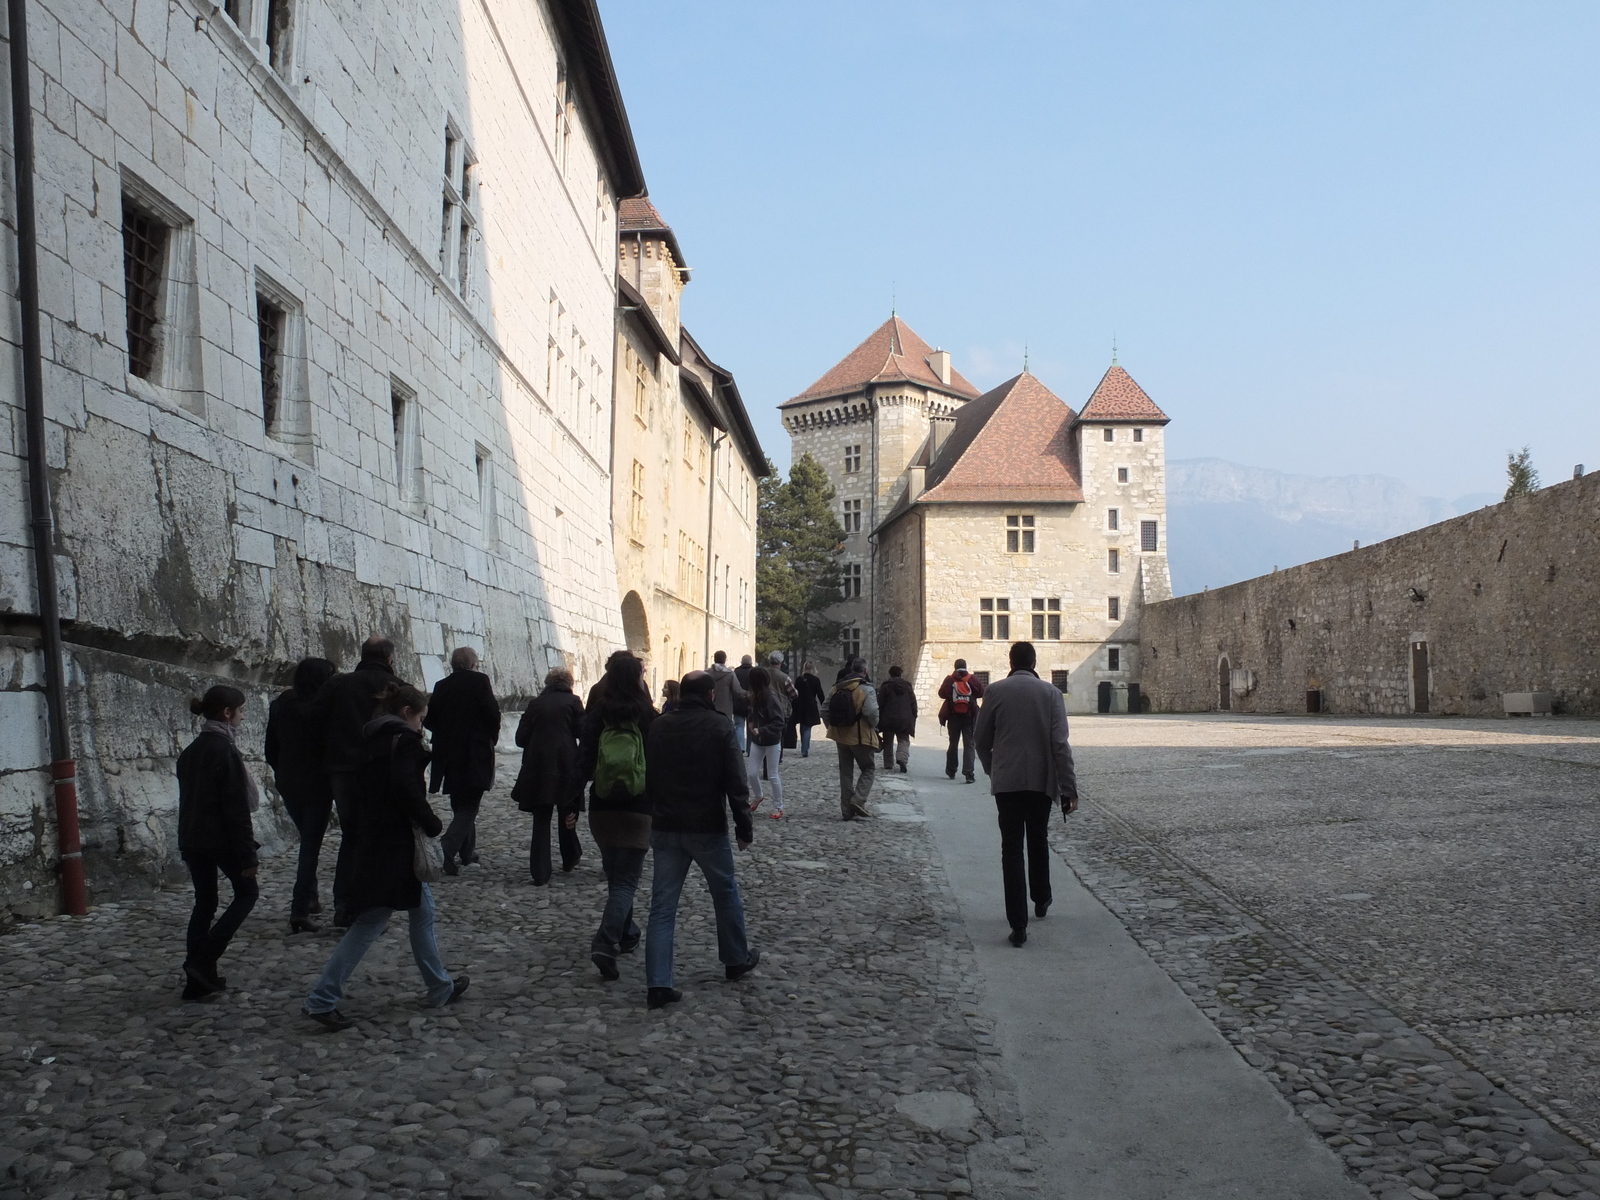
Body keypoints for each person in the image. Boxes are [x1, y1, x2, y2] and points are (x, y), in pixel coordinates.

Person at [304, 682, 468, 1029]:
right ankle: (322, 998)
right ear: (408, 714)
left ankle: (440, 986)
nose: (422, 726)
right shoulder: (404, 742)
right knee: (371, 922)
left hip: (377, 839)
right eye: (421, 718)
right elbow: (406, 790)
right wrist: (432, 822)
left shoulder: (371, 739)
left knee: (423, 912)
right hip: (395, 845)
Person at [643, 670, 759, 1010]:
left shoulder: (659, 725)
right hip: (706, 824)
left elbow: (649, 774)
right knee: (725, 893)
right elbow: (735, 782)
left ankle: (658, 981)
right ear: (710, 695)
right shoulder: (720, 726)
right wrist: (744, 825)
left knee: (662, 906)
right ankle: (735, 958)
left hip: (666, 823)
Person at [974, 642, 1080, 948]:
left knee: (1010, 849)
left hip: (1007, 781)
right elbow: (1060, 745)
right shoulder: (1051, 694)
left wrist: (993, 768)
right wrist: (1070, 789)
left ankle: (1017, 924)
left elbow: (980, 739)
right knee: (1037, 838)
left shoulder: (994, 692)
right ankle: (1042, 896)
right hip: (1040, 781)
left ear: (1011, 661)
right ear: (1034, 662)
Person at [176, 685, 260, 1000]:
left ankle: (199, 979)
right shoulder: (225, 751)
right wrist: (248, 854)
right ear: (227, 713)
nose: (243, 716)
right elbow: (237, 809)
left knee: (205, 903)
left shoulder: (191, 751)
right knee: (247, 893)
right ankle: (202, 960)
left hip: (192, 837)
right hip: (220, 839)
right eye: (241, 710)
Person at [314, 635, 405, 925]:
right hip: (378, 770)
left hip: (342, 768)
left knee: (351, 836)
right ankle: (367, 904)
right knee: (377, 836)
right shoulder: (397, 688)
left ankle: (344, 903)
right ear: (389, 658)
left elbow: (315, 717)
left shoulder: (339, 684)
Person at [577, 652, 657, 981]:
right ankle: (606, 941)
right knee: (625, 882)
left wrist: (571, 804)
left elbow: (582, 762)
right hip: (639, 807)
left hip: (603, 806)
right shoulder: (649, 717)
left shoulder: (596, 716)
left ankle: (627, 933)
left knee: (616, 878)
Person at [265, 656, 337, 933]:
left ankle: (311, 898)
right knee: (310, 847)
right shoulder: (322, 709)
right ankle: (299, 907)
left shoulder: (280, 706)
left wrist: (282, 770)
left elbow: (271, 748)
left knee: (308, 840)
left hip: (288, 780)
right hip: (317, 783)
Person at [424, 647, 502, 874]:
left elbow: (430, 719)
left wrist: (446, 734)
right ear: (472, 664)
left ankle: (467, 852)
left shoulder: (441, 685)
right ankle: (446, 850)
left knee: (460, 802)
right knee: (469, 806)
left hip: (448, 754)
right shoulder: (479, 681)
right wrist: (489, 738)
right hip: (474, 752)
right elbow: (492, 713)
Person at [511, 667, 586, 884]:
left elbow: (521, 738)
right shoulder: (573, 702)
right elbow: (582, 731)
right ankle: (570, 855)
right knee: (567, 813)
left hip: (539, 766)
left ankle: (540, 871)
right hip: (566, 764)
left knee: (541, 819)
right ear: (568, 684)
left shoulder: (536, 704)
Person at [825, 659, 880, 821]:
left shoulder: (836, 688)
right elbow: (871, 712)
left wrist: (832, 727)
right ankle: (858, 799)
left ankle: (846, 811)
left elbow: (824, 709)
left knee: (846, 773)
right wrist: (874, 726)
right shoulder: (866, 689)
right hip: (860, 737)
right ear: (865, 671)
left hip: (840, 736)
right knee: (869, 768)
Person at [744, 666, 786, 820]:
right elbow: (752, 713)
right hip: (757, 741)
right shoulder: (754, 696)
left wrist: (761, 730)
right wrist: (751, 722)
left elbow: (779, 721)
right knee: (752, 773)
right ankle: (758, 796)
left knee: (773, 775)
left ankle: (778, 806)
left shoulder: (771, 697)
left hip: (772, 740)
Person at [937, 659, 985, 783]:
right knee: (969, 744)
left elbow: (941, 694)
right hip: (969, 716)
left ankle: (951, 770)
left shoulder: (950, 679)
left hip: (953, 716)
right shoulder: (971, 678)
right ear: (965, 666)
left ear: (955, 667)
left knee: (953, 743)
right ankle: (969, 773)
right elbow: (981, 692)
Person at [877, 665, 918, 774]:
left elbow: (879, 703)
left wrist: (878, 718)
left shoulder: (885, 686)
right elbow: (913, 703)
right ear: (901, 674)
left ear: (890, 674)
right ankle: (902, 759)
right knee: (903, 740)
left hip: (888, 718)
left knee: (888, 741)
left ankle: (888, 764)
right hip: (904, 718)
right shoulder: (907, 686)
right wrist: (913, 716)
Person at [708, 650, 747, 750]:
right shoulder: (729, 674)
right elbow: (737, 690)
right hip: (725, 707)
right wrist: (748, 694)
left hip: (709, 706)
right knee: (724, 731)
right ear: (725, 660)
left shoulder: (706, 673)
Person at [792, 662, 826, 757]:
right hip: (811, 705)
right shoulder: (815, 680)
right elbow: (820, 694)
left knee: (803, 726)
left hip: (799, 705)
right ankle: (805, 749)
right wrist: (824, 705)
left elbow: (794, 693)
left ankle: (804, 746)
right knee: (808, 727)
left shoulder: (799, 679)